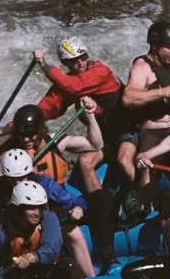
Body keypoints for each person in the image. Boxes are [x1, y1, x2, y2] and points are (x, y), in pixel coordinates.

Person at [0, 148, 96, 278]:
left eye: (21, 177)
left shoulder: (42, 183)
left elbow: (75, 200)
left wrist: (78, 207)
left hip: (38, 228)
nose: (17, 183)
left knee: (73, 233)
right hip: (12, 234)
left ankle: (89, 278)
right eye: (13, 179)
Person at [33, 37, 125, 193]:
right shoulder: (68, 84)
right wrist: (13, 126)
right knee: (84, 161)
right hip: (105, 141)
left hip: (127, 132)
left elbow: (75, 87)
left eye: (83, 57)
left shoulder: (100, 71)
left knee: (125, 160)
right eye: (73, 60)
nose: (80, 63)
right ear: (65, 64)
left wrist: (43, 63)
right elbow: (44, 110)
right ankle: (98, 204)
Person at [120, 20, 170, 186]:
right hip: (154, 134)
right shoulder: (142, 66)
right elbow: (128, 97)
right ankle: (145, 199)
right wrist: (162, 92)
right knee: (147, 170)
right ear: (155, 46)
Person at [0, 96, 104, 183]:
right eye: (22, 135)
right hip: (27, 206)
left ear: (41, 131)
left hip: (56, 197)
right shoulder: (9, 154)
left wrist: (90, 115)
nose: (26, 140)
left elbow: (95, 145)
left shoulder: (54, 142)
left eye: (31, 134)